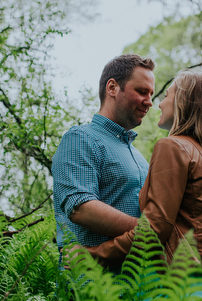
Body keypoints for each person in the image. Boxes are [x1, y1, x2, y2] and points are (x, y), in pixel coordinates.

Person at [85, 69, 202, 301]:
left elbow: (154, 229)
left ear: (185, 101)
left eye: (167, 94)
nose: (158, 103)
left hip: (175, 288)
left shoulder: (171, 146)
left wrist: (93, 254)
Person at [52, 54, 155, 272]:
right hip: (90, 287)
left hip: (139, 288)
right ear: (112, 87)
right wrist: (150, 234)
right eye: (141, 91)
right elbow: (81, 208)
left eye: (151, 94)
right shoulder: (80, 138)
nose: (149, 101)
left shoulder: (140, 158)